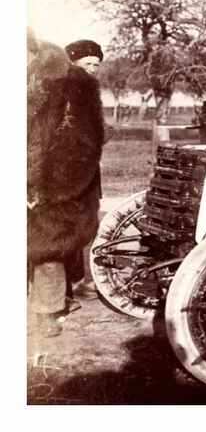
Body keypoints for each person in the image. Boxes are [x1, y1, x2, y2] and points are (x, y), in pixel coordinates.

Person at [28, 28, 105, 337]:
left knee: (48, 244)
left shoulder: (68, 83)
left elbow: (80, 141)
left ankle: (48, 310)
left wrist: (44, 189)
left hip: (48, 184)